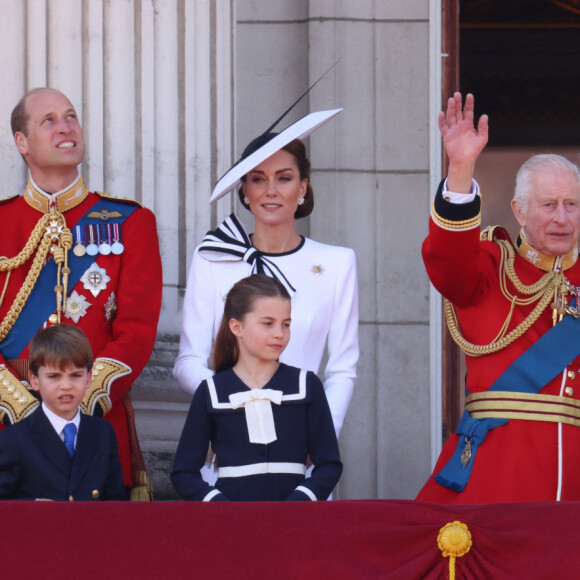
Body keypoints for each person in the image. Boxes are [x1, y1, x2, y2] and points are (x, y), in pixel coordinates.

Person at [417, 92, 580, 503]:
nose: (562, 218)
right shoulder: (492, 269)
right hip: (497, 478)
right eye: (549, 205)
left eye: (572, 205)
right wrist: (460, 169)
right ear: (520, 211)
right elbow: (448, 259)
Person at [0, 88, 162, 499]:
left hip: (95, 431)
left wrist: (75, 404)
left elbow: (137, 332)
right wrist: (22, 408)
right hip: (7, 429)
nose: (66, 127)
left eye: (71, 117)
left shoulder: (130, 222)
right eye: (49, 120)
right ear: (22, 142)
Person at [173, 109, 359, 442]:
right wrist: (233, 405)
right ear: (245, 190)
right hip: (226, 438)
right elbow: (188, 362)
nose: (270, 190)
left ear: (302, 186)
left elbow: (342, 370)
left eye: (284, 178)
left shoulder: (337, 263)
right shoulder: (212, 259)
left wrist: (319, 438)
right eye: (258, 179)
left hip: (302, 441)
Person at [171, 274, 342, 501]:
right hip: (232, 525)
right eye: (268, 323)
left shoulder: (306, 385)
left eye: (286, 324)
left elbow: (329, 464)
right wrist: (220, 506)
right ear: (236, 327)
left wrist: (300, 501)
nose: (279, 333)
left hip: (296, 524)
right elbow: (184, 473)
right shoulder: (211, 391)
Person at [0, 325, 126, 500]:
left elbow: (116, 502)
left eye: (75, 375)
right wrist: (32, 507)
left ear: (89, 378)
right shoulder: (14, 439)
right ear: (34, 380)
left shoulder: (102, 432)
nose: (66, 386)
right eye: (54, 377)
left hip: (92, 527)